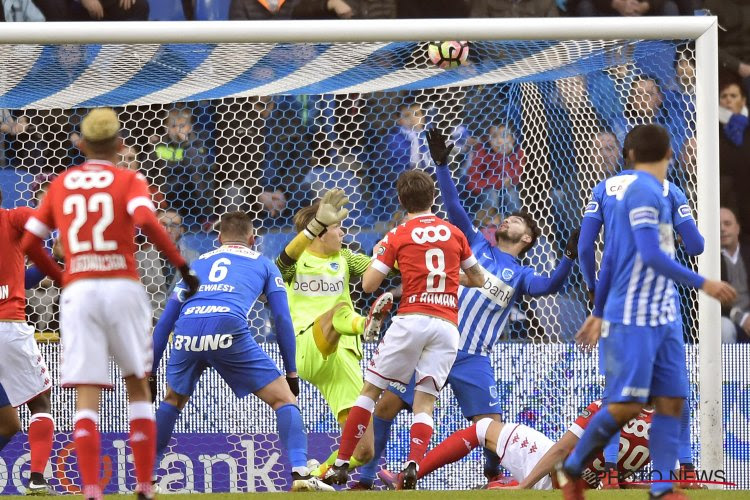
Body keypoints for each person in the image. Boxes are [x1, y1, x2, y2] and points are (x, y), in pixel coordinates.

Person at [352, 128, 578, 490]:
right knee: (386, 406)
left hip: (473, 356)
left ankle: (494, 478)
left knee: (490, 425)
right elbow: (455, 208)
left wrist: (568, 257)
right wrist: (441, 165)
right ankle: (364, 478)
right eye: (507, 218)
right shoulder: (474, 244)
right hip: (434, 341)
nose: (507, 220)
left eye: (517, 221)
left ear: (527, 239)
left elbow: (551, 286)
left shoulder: (522, 276)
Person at [21, 108, 200, 500]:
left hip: (80, 291)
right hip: (122, 284)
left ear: (81, 144)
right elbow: (149, 223)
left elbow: (31, 242)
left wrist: (62, 274)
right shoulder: (130, 179)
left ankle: (89, 490)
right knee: (138, 384)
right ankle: (144, 485)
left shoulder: (61, 183)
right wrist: (182, 266)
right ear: (120, 145)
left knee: (88, 394)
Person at [561, 124, 736, 500]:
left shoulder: (608, 189)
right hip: (634, 314)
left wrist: (596, 303)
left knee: (672, 398)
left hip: (665, 314)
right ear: (670, 156)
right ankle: (573, 467)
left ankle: (661, 488)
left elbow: (600, 254)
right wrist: (704, 283)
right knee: (628, 405)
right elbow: (662, 252)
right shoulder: (652, 190)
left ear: (628, 155)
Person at [322, 169, 486, 489]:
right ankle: (412, 464)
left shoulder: (398, 234)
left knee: (370, 391)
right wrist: (448, 279)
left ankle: (341, 464)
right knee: (425, 401)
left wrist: (396, 265)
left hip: (412, 318)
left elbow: (369, 285)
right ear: (433, 198)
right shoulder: (454, 233)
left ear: (400, 199)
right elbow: (478, 279)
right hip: (447, 325)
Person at [149, 211, 333, 492]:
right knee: (284, 399)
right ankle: (299, 472)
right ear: (253, 238)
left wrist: (150, 371)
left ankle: (146, 476)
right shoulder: (264, 263)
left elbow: (164, 323)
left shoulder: (196, 264)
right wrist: (291, 370)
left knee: (172, 400)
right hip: (228, 327)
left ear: (219, 238)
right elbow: (282, 320)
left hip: (186, 330)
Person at [275, 189, 393, 476]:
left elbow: (384, 269)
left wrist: (399, 251)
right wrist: (314, 223)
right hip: (308, 345)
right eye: (337, 227)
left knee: (362, 451)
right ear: (318, 233)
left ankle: (315, 477)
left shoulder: (346, 259)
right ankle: (365, 325)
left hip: (344, 359)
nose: (342, 232)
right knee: (339, 308)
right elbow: (282, 263)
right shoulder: (296, 262)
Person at [392, 399, 657, 491]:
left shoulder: (606, 407)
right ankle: (499, 482)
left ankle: (406, 478)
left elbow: (561, 450)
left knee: (483, 428)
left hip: (551, 473)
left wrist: (525, 485)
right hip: (587, 488)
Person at [0, 189, 55, 495]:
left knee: (7, 425)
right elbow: (43, 221)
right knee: (39, 402)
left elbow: (21, 280)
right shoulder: (12, 217)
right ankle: (36, 478)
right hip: (7, 328)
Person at [720, 207, 750, 344]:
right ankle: (725, 366)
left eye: (727, 224)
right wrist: (741, 318)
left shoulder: (747, 253)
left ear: (737, 228)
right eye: (718, 225)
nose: (722, 229)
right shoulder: (709, 260)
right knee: (723, 328)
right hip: (727, 316)